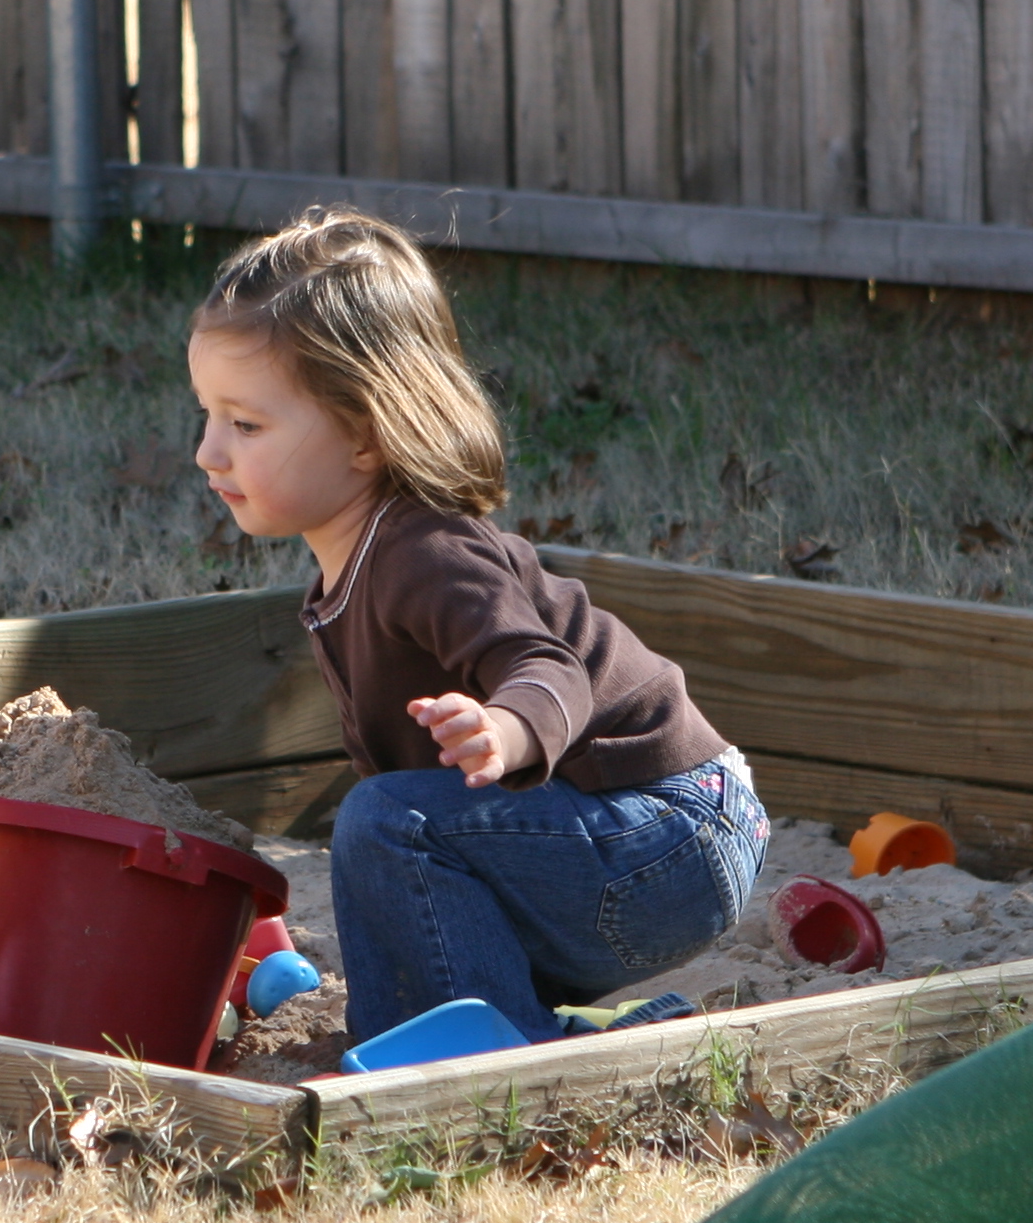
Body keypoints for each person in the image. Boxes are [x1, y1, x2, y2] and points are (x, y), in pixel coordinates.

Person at [188, 208, 768, 1045]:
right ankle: (500, 1043)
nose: (209, 452)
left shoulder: (423, 551)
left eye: (245, 424)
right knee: (394, 834)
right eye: (207, 415)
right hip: (606, 834)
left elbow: (547, 667)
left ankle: (480, 1057)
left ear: (364, 434)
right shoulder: (346, 575)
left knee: (387, 820)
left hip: (669, 829)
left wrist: (505, 728)